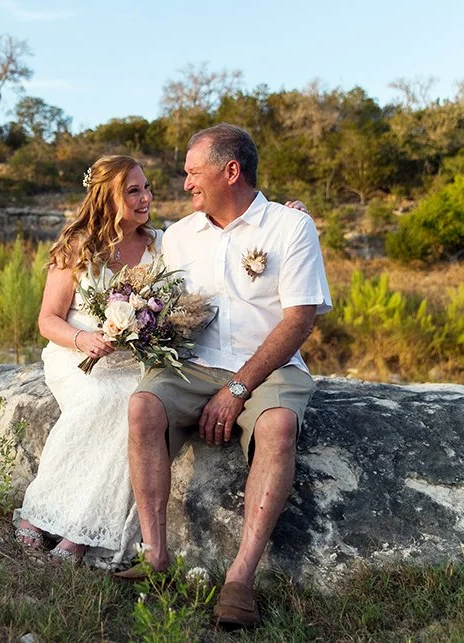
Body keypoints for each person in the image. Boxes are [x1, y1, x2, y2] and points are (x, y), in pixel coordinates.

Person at [123, 123, 332, 629]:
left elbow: (299, 319)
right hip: (194, 364)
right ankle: (155, 557)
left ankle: (240, 578)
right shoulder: (177, 237)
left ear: (230, 171)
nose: (186, 183)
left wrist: (238, 389)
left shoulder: (289, 227)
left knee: (278, 427)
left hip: (270, 365)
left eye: (195, 173)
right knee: (142, 406)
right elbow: (133, 268)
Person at [13, 154, 157, 568]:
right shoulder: (76, 247)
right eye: (134, 191)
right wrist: (84, 339)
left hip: (132, 362)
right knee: (100, 400)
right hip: (74, 356)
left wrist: (282, 215)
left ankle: (79, 532)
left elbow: (212, 232)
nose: (146, 197)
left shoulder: (160, 243)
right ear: (107, 196)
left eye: (147, 188)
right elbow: (47, 320)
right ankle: (38, 511)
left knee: (137, 403)